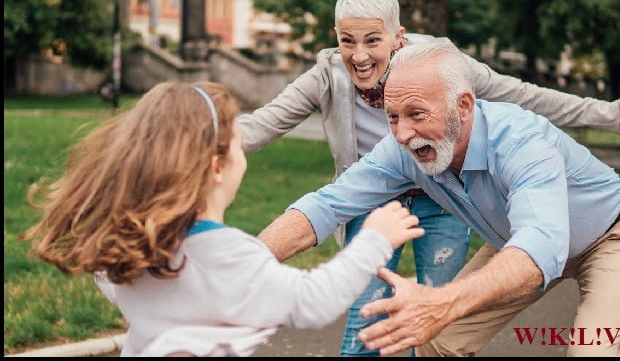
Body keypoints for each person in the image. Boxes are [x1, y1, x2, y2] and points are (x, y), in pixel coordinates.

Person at [243, 0, 620, 357]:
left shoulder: (520, 141)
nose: (404, 134)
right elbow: (325, 206)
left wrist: (608, 114)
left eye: (416, 114)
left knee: (588, 347)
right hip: (515, 238)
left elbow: (542, 246)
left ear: (463, 105)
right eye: (392, 117)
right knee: (435, 339)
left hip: (611, 237)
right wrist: (242, 266)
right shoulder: (399, 145)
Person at [20, 81, 425, 357]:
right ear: (217, 167)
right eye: (238, 144)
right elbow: (312, 302)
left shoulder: (127, 247)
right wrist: (373, 239)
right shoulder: (228, 255)